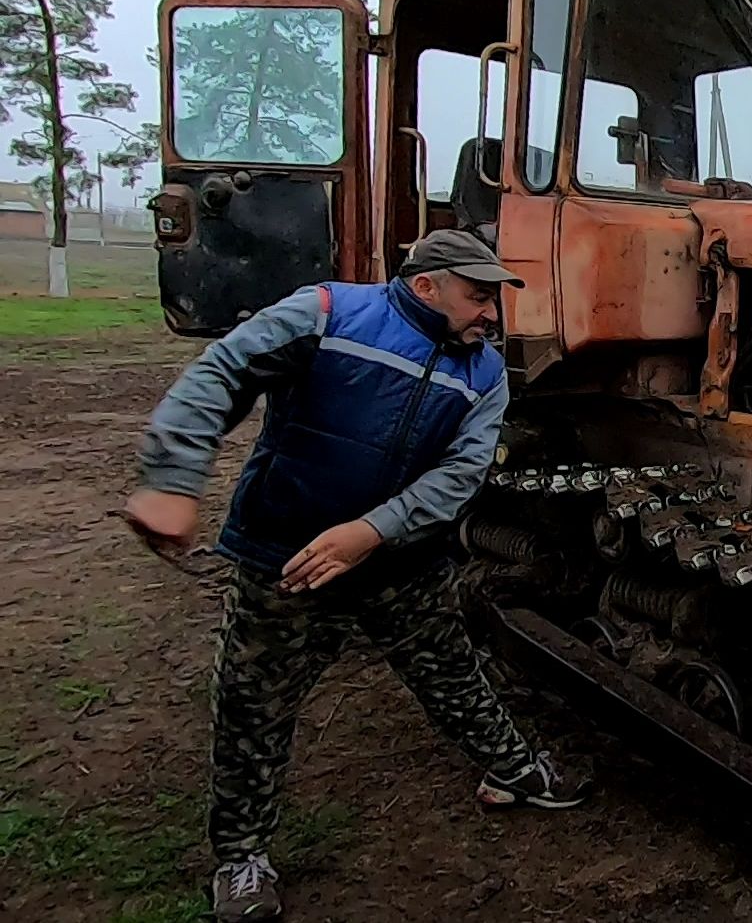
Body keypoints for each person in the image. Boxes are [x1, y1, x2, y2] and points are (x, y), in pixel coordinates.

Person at [123, 229, 587, 922]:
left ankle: (515, 772)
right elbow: (220, 374)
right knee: (254, 706)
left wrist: (373, 532)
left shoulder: (485, 372)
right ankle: (242, 858)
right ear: (426, 286)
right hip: (289, 559)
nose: (490, 314)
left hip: (400, 563)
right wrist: (171, 478)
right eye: (477, 296)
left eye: (493, 298)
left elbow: (461, 473)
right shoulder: (326, 314)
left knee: (452, 674)